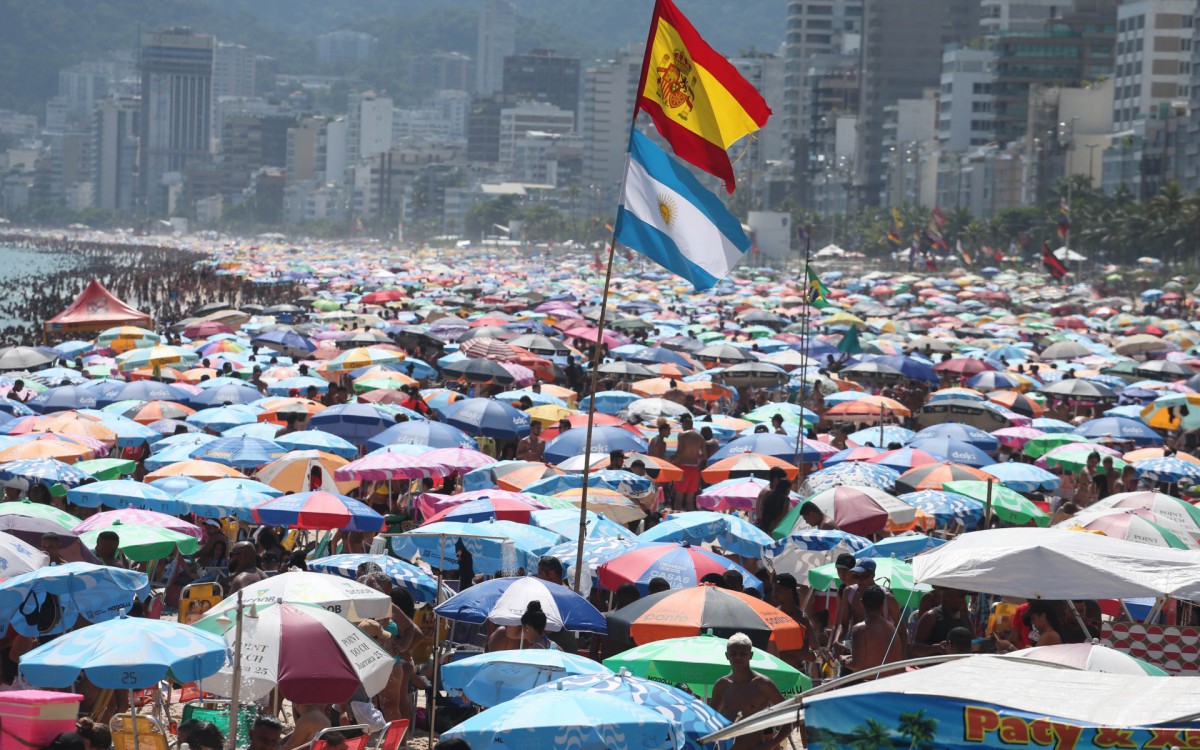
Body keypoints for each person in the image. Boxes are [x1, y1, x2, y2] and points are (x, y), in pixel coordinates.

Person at [710, 633, 786, 750]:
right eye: (733, 653)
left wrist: (772, 744)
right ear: (727, 655)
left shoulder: (763, 684)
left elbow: (793, 716)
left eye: (743, 653)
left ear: (750, 655)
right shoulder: (721, 685)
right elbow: (710, 720)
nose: (738, 657)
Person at [844, 586, 905, 676]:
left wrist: (844, 661)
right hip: (889, 682)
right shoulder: (892, 629)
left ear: (861, 603)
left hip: (868, 684)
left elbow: (857, 664)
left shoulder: (859, 629)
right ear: (883, 604)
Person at [911, 588, 974, 656]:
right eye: (960, 596)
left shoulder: (965, 618)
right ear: (947, 597)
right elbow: (914, 648)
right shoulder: (931, 617)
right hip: (937, 665)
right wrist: (937, 648)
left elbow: (974, 640)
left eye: (964, 597)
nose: (963, 600)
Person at [672, 414, 706, 512]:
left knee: (679, 498)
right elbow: (704, 456)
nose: (682, 427)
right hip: (694, 469)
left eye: (682, 424)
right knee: (690, 500)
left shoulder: (682, 435)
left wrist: (673, 460)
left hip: (683, 467)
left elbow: (679, 451)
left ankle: (676, 519)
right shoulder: (700, 437)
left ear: (686, 424)